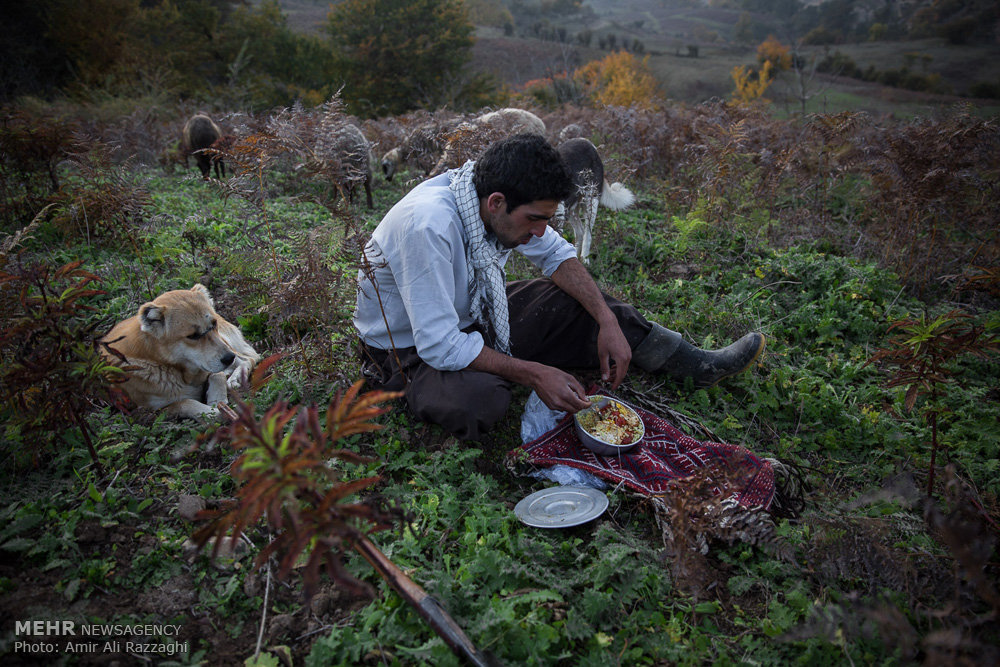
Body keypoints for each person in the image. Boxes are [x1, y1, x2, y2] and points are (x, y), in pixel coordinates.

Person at [353, 133, 764, 441]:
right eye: (534, 219)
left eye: (547, 219)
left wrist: (606, 321)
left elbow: (557, 256)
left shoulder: (487, 192)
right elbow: (439, 344)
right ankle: (417, 390)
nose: (539, 232)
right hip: (405, 347)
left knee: (583, 303)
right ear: (497, 203)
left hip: (470, 310)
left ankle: (694, 363)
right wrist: (534, 374)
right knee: (481, 401)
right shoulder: (427, 225)